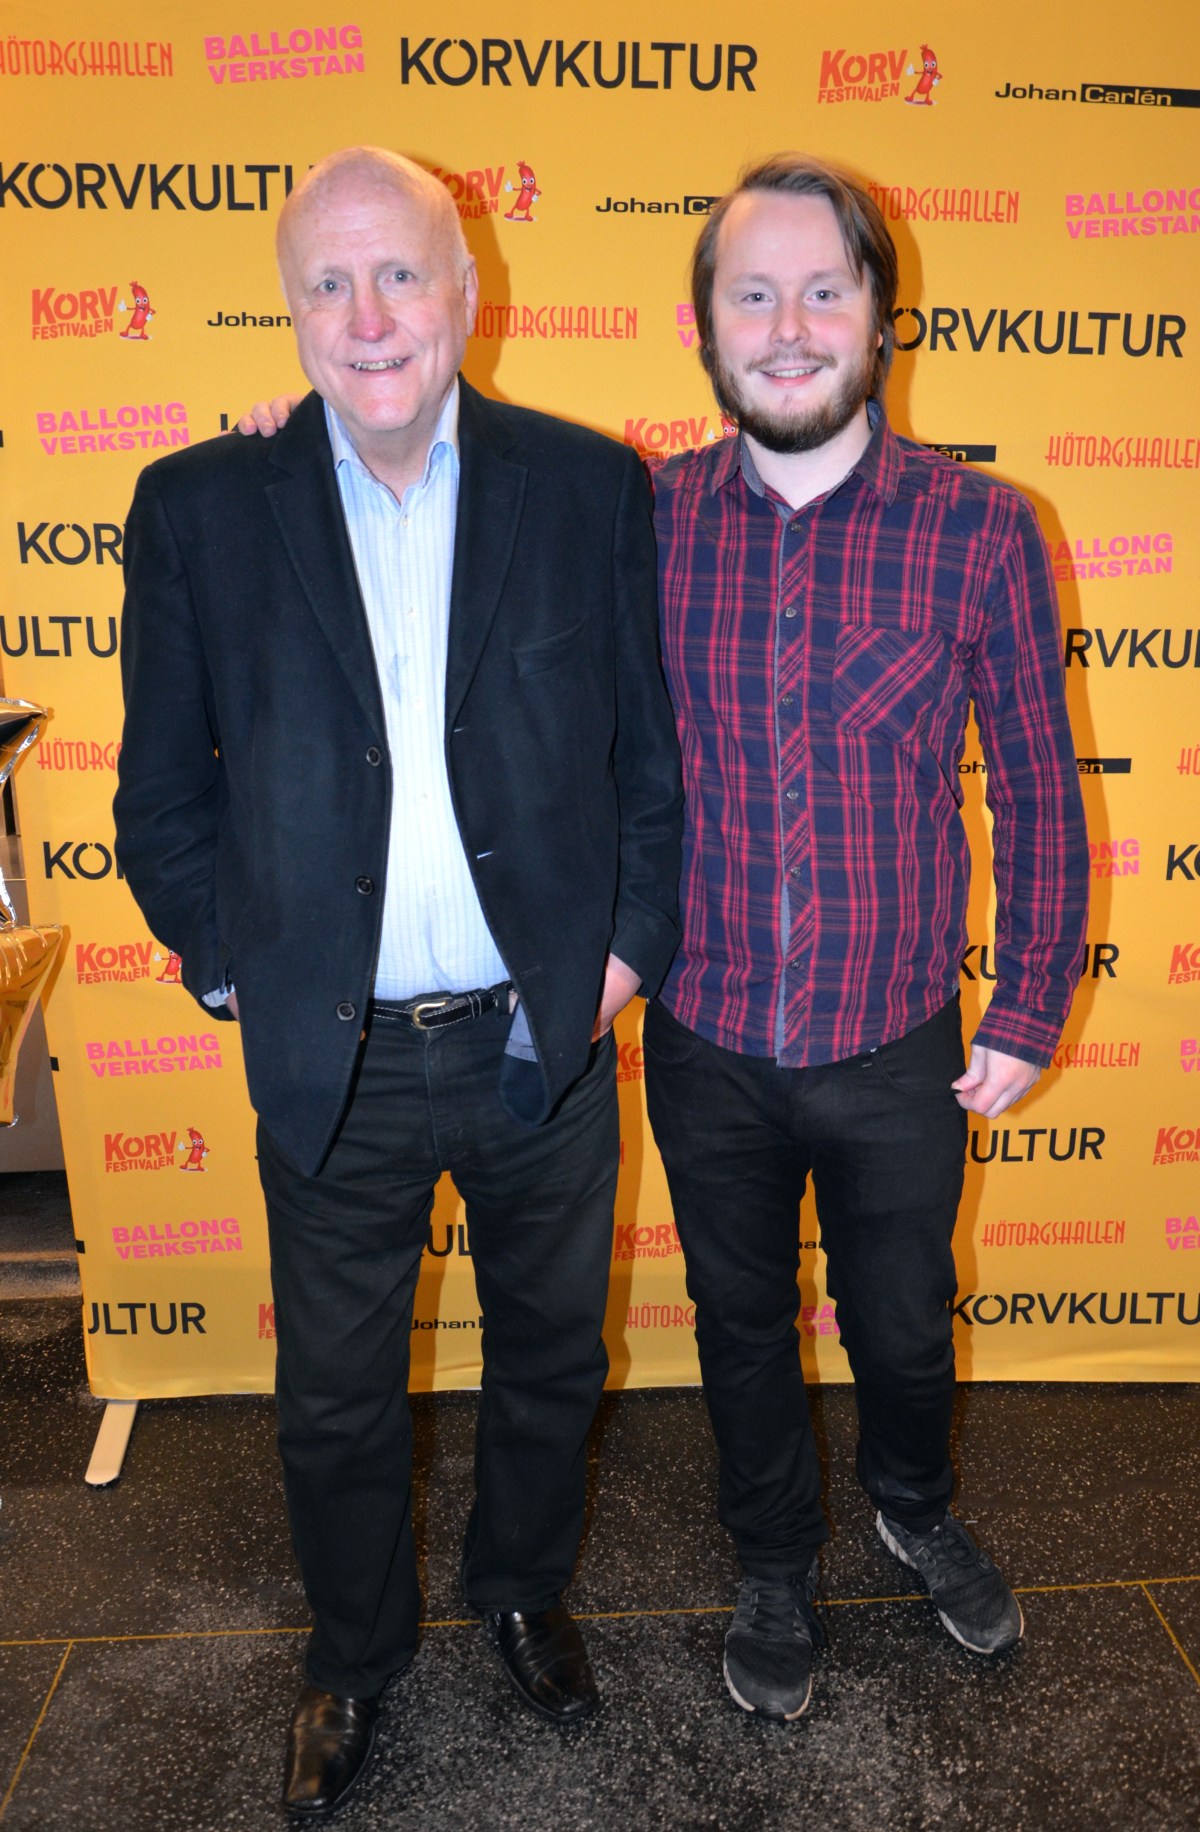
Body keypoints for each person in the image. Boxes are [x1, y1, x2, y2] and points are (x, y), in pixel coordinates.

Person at [114, 145, 681, 1818]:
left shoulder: (590, 489)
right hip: (332, 1059)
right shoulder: (200, 509)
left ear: (465, 289)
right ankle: (355, 1657)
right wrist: (238, 972)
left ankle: (521, 1591)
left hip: (540, 1045)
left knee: (553, 1360)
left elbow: (653, 775)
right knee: (336, 1403)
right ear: (292, 312)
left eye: (400, 274)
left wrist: (614, 965)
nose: (368, 316)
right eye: (329, 284)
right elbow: (161, 797)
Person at [642, 153, 1088, 1720]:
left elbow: (1037, 784)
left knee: (903, 1330)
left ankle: (912, 1505)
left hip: (898, 1045)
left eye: (823, 290)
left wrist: (1027, 1005)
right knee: (740, 1329)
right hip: (704, 1037)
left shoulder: (983, 531)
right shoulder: (645, 524)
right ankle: (773, 1558)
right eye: (752, 294)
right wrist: (303, 439)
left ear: (883, 315)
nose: (788, 326)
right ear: (705, 327)